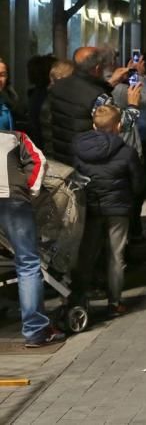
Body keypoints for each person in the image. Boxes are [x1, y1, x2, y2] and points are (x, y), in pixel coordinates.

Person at [73, 102, 144, 318]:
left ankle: (79, 299)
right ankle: (114, 302)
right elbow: (139, 182)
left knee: (86, 255)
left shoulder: (78, 147)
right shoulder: (126, 151)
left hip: (92, 207)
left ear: (94, 125)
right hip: (119, 209)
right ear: (117, 126)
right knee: (116, 255)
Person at [0, 126, 65, 347]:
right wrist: (30, 191)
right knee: (27, 263)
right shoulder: (15, 138)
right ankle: (35, 331)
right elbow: (39, 162)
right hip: (13, 201)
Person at [113, 53, 146, 241]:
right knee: (141, 189)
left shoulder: (109, 91)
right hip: (138, 145)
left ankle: (133, 230)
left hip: (115, 147)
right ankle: (137, 232)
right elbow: (141, 101)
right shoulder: (139, 91)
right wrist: (138, 76)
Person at [44, 47, 129, 164]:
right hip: (87, 160)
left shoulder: (58, 87)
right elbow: (120, 125)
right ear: (97, 68)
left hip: (61, 156)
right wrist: (133, 105)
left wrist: (110, 84)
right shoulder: (97, 96)